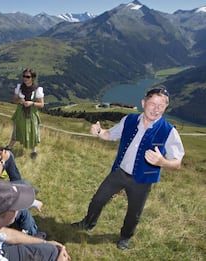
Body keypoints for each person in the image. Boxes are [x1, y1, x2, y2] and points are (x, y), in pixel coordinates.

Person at [71, 86, 185, 250]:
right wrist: (98, 131)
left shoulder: (169, 131)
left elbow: (177, 163)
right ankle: (88, 223)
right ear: (143, 103)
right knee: (98, 199)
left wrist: (162, 162)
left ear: (166, 107)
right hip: (120, 172)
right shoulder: (129, 120)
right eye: (153, 104)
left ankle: (125, 237)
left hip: (142, 180)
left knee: (134, 213)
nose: (156, 109)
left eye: (161, 105)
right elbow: (110, 134)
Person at [6, 68, 44, 159]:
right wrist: (19, 100)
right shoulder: (19, 87)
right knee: (17, 128)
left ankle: (33, 151)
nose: (25, 78)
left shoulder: (37, 89)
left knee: (33, 130)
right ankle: (10, 146)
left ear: (32, 78)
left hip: (32, 113)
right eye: (24, 76)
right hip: (20, 112)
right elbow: (14, 100)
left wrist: (32, 103)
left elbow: (41, 104)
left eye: (27, 76)